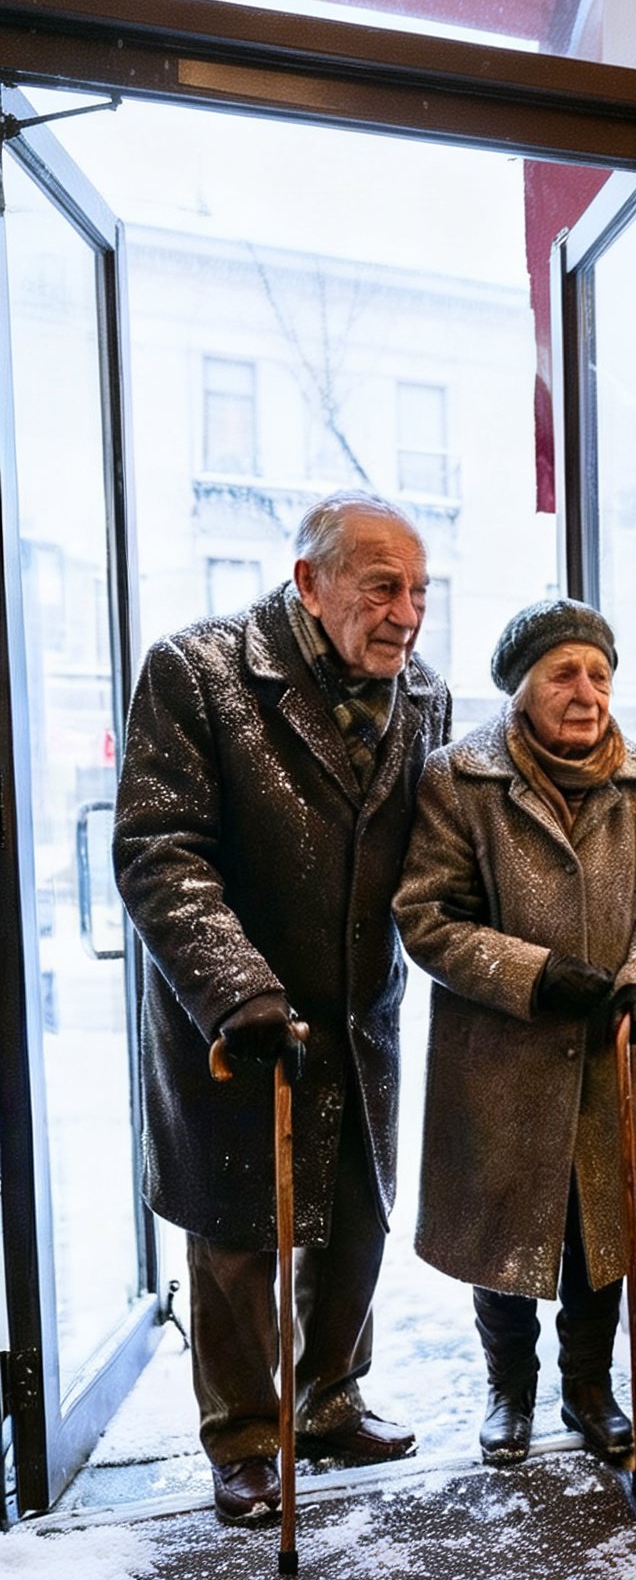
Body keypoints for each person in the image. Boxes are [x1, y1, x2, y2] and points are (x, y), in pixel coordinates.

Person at [113, 493, 449, 1526]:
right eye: (381, 587)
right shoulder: (197, 672)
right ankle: (247, 1434)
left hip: (359, 1016)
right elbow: (159, 849)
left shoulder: (423, 696)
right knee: (237, 1231)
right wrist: (237, 990)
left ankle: (330, 1394)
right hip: (234, 1021)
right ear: (308, 582)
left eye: (420, 592)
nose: (405, 614)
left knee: (354, 1215)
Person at [394, 598, 636, 1468]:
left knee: (603, 1232)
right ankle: (507, 1391)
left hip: (605, 1057)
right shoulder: (457, 778)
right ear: (522, 688)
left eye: (599, 673)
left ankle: (589, 1390)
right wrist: (535, 973)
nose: (587, 691)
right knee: (505, 1234)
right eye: (565, 673)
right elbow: (426, 917)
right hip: (501, 1056)